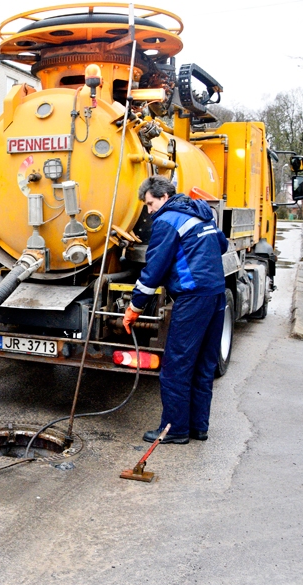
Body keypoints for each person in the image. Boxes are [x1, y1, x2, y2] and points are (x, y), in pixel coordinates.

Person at [124, 175, 229, 445]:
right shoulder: (201, 212)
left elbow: (154, 269)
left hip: (192, 297)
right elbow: (222, 245)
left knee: (176, 366)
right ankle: (198, 427)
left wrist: (135, 306)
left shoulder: (167, 220)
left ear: (164, 197)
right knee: (204, 364)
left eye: (150, 204)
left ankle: (174, 429)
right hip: (216, 293)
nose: (149, 211)